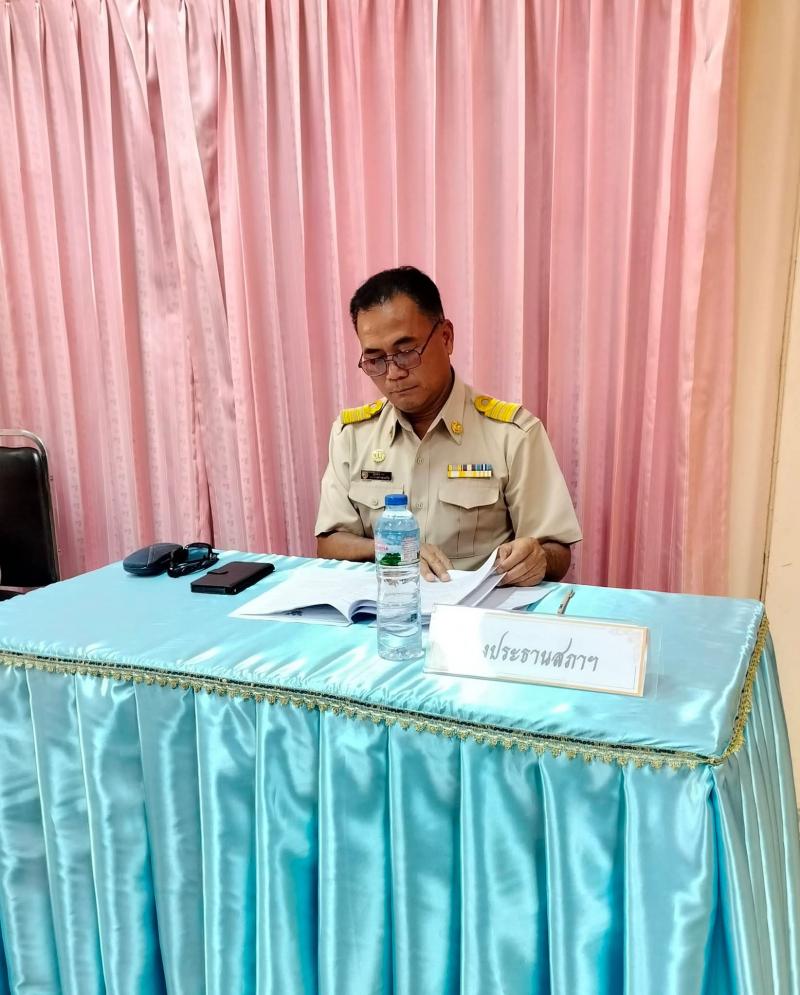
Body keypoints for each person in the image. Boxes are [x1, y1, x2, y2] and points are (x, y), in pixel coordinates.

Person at [315, 266, 581, 586]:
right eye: (375, 360)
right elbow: (329, 543)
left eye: (405, 352)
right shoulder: (352, 436)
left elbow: (556, 551)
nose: (393, 373)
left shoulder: (512, 434)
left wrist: (538, 558)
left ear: (446, 337)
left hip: (477, 609)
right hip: (386, 606)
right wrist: (394, 550)